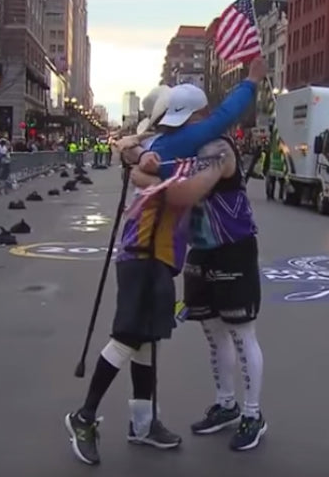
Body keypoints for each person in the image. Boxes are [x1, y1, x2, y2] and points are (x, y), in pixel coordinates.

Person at [64, 58, 264, 467]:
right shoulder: (177, 146)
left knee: (146, 343)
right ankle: (83, 417)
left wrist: (138, 160)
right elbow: (180, 180)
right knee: (127, 337)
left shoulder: (165, 146)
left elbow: (136, 150)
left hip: (161, 258)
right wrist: (251, 82)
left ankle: (142, 424)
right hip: (145, 255)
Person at [128, 60, 267, 452]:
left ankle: (253, 414)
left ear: (200, 117)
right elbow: (145, 150)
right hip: (200, 251)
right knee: (212, 332)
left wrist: (143, 176)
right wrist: (135, 155)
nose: (178, 131)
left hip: (233, 249)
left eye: (183, 123)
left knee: (241, 334)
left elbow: (188, 192)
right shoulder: (183, 146)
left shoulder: (218, 150)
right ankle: (226, 405)